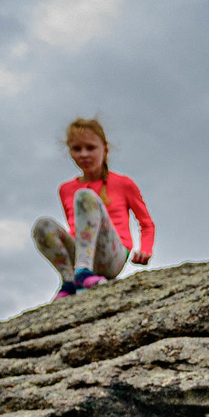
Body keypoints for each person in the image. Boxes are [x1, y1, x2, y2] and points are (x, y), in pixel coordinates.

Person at [32, 117, 155, 301]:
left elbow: (146, 224)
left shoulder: (123, 184)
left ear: (105, 149)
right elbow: (79, 228)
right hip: (79, 255)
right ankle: (69, 281)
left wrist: (145, 250)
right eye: (76, 149)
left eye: (90, 148)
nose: (83, 154)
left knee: (84, 197)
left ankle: (83, 271)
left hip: (112, 256)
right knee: (43, 226)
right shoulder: (65, 190)